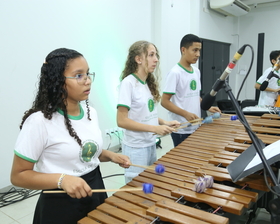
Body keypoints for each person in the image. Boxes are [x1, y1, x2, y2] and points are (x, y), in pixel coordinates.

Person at [10, 48, 131, 224]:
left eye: (88, 74)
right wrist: (62, 180)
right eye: (78, 75)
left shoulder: (91, 113)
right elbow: (18, 175)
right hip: (60, 204)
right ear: (58, 81)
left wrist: (111, 155)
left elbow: (84, 151)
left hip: (95, 189)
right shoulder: (39, 122)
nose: (87, 80)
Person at [117, 40, 180, 184]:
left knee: (149, 185)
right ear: (138, 59)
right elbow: (121, 121)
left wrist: (165, 122)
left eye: (156, 55)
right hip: (136, 148)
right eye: (151, 55)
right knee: (136, 190)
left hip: (149, 144)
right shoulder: (128, 83)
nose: (156, 59)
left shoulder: (146, 83)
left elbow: (145, 115)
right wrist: (155, 129)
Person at [161, 34, 221, 147]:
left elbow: (194, 96)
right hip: (181, 129)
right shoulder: (175, 73)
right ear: (183, 50)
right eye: (195, 50)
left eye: (199, 50)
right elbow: (164, 101)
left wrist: (207, 106)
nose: (198, 54)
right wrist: (186, 114)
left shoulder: (196, 71)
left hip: (196, 126)